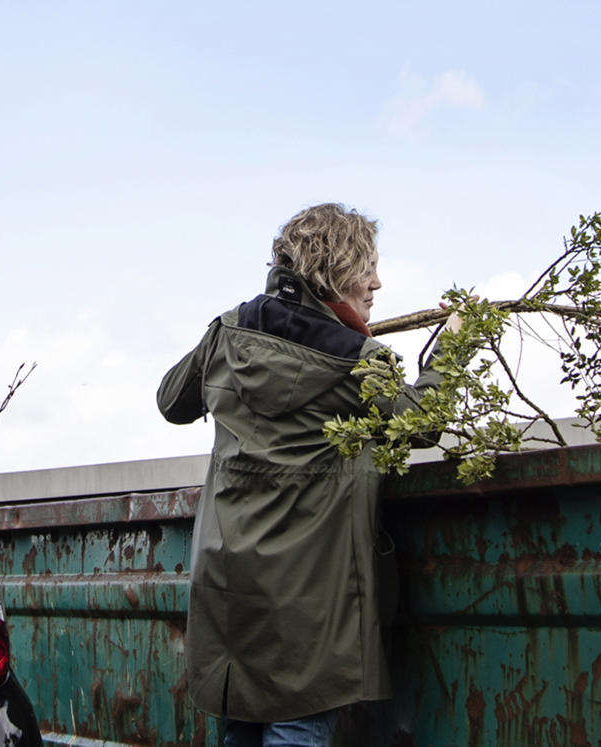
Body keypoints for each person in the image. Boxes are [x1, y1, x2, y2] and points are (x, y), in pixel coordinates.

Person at [155, 203, 453, 746]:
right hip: (313, 596)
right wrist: (449, 351)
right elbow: (423, 424)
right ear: (337, 271)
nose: (377, 283)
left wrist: (220, 334)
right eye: (368, 269)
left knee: (240, 723)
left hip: (227, 582)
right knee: (299, 723)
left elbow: (172, 402)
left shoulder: (230, 330)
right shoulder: (358, 360)